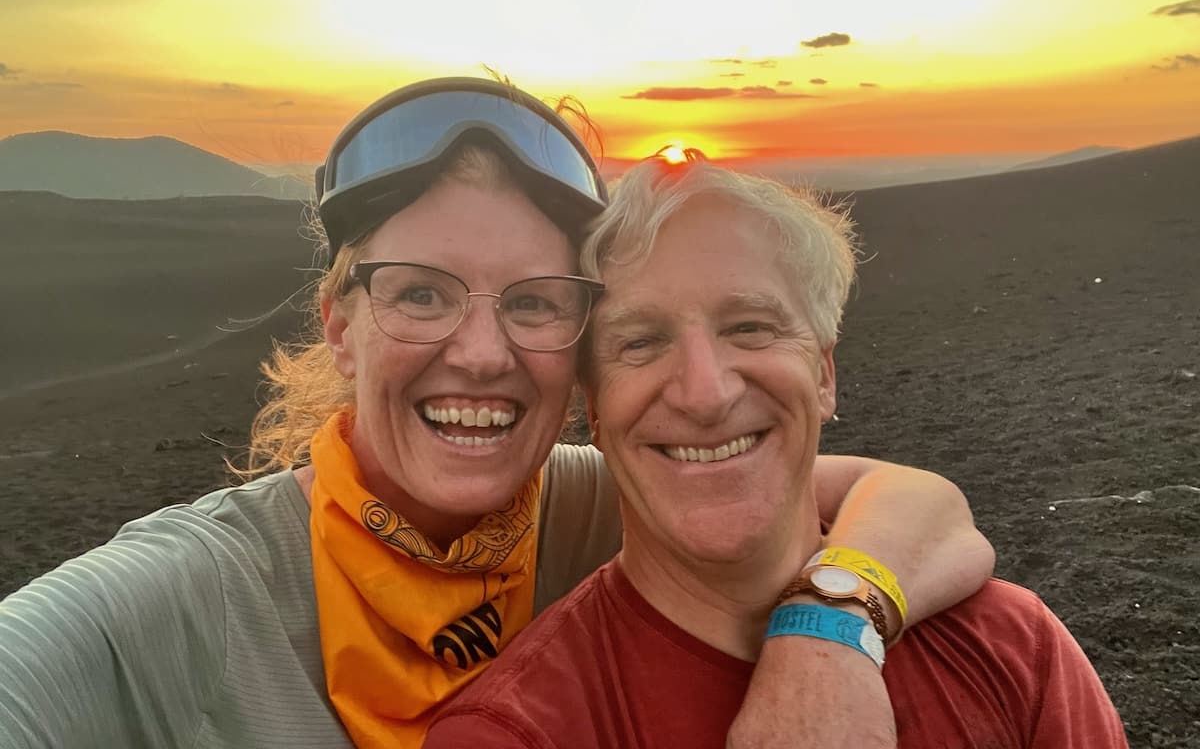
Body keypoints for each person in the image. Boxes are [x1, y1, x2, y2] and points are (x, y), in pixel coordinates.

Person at [0, 79, 993, 749]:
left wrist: (828, 629)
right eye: (422, 293)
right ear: (341, 326)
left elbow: (909, 499)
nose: (481, 351)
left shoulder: (586, 504)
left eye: (532, 300)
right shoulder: (178, 599)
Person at [424, 154, 1129, 748]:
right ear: (594, 412)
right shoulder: (514, 732)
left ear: (823, 375)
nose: (705, 393)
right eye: (641, 341)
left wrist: (825, 627)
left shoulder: (1011, 647)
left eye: (751, 327)